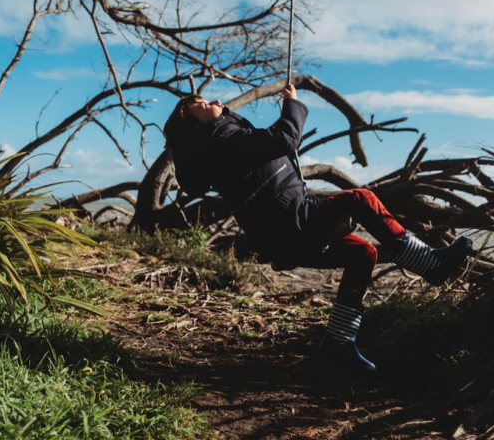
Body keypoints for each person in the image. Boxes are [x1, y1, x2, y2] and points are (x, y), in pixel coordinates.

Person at [162, 84, 473, 373]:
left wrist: (225, 117)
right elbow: (286, 138)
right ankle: (430, 264)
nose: (215, 103)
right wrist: (292, 103)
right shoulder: (222, 142)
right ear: (193, 121)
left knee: (363, 252)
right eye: (202, 105)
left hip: (284, 231)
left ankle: (339, 342)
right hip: (293, 222)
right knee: (361, 198)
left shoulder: (223, 142)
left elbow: (262, 143)